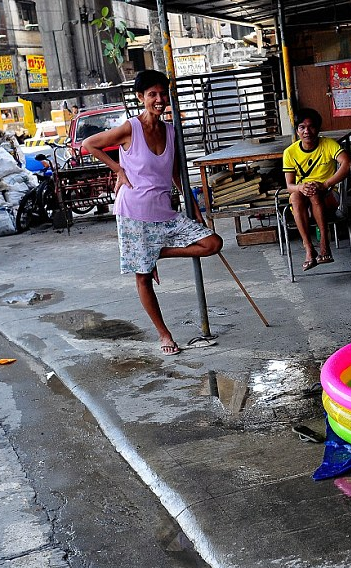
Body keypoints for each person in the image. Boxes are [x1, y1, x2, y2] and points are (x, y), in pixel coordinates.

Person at [82, 69, 223, 356]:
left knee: (213, 243)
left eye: (162, 94)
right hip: (133, 211)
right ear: (140, 98)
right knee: (143, 277)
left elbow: (175, 174)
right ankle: (164, 334)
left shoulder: (171, 131)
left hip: (165, 212)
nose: (159, 99)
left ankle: (155, 252)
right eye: (152, 95)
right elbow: (89, 144)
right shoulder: (129, 128)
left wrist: (194, 209)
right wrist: (119, 169)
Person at [282, 108, 351, 272]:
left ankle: (324, 245)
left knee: (315, 194)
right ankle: (309, 249)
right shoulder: (290, 153)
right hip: (304, 197)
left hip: (329, 195)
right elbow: (289, 185)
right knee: (295, 197)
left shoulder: (328, 144)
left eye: (311, 127)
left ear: (318, 128)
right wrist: (301, 187)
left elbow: (347, 164)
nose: (307, 131)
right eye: (302, 127)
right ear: (297, 130)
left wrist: (326, 184)